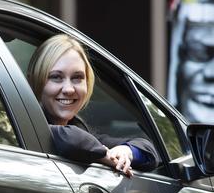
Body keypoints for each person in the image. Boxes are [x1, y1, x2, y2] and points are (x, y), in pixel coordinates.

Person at [27, 34, 160, 177]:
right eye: (56, 77)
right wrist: (103, 155)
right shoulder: (25, 125)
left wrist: (125, 151)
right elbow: (70, 138)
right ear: (36, 80)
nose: (69, 89)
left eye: (77, 78)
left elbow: (149, 150)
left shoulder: (82, 130)